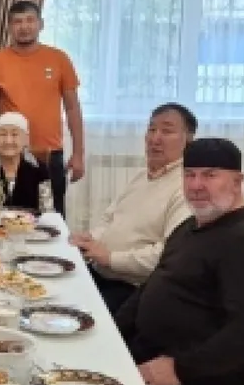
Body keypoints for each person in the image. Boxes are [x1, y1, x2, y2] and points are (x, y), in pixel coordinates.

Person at [115, 138, 244, 385]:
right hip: (155, 350)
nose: (196, 185)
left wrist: (180, 369)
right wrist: (115, 332)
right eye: (189, 175)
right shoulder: (192, 225)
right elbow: (155, 283)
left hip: (202, 379)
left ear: (237, 182)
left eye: (210, 175)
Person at [70, 103, 196, 314]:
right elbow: (109, 219)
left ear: (188, 140)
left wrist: (110, 258)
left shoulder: (186, 188)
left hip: (133, 291)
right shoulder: (141, 177)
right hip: (100, 273)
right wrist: (89, 240)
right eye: (151, 129)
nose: (155, 139)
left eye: (166, 131)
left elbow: (167, 256)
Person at [0, 0, 85, 216]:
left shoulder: (59, 59)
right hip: (9, 154)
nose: (24, 26)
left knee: (53, 218)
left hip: (50, 153)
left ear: (41, 24)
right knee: (4, 219)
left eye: (30, 20)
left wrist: (78, 154)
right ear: (9, 27)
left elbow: (72, 108)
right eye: (17, 21)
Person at [0, 112, 51, 213]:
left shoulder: (39, 170)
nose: (8, 141)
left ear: (26, 139)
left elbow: (47, 211)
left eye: (15, 134)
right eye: (2, 134)